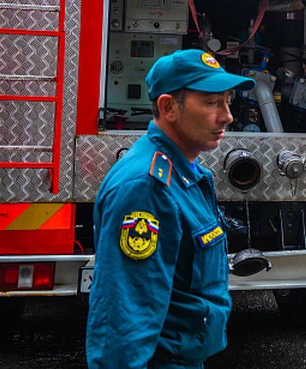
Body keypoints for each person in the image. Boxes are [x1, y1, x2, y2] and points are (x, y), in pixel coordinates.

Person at [86, 49, 255, 369]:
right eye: (210, 102)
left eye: (228, 100)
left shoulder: (185, 173)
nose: (227, 116)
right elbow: (126, 315)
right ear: (168, 107)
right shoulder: (146, 188)